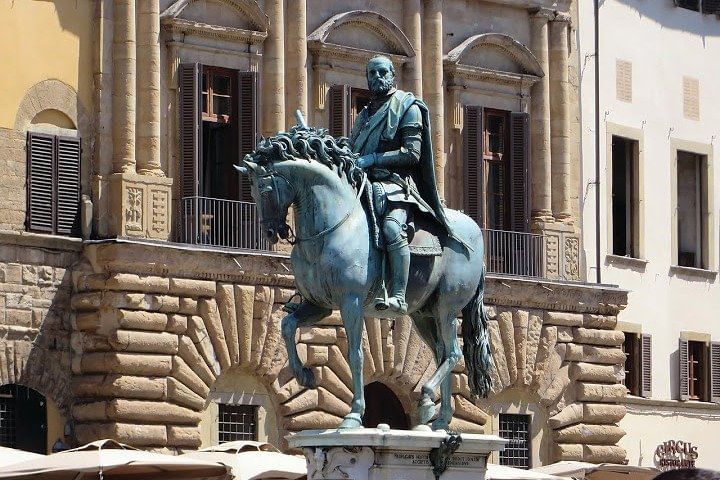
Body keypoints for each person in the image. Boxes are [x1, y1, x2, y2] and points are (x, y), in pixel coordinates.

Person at [350, 55, 457, 314]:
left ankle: (398, 293)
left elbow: (412, 154)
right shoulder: (364, 115)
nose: (377, 77)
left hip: (397, 186)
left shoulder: (408, 107)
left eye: (382, 72)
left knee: (390, 228)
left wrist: (373, 158)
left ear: (392, 76)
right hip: (363, 182)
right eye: (372, 73)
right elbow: (354, 147)